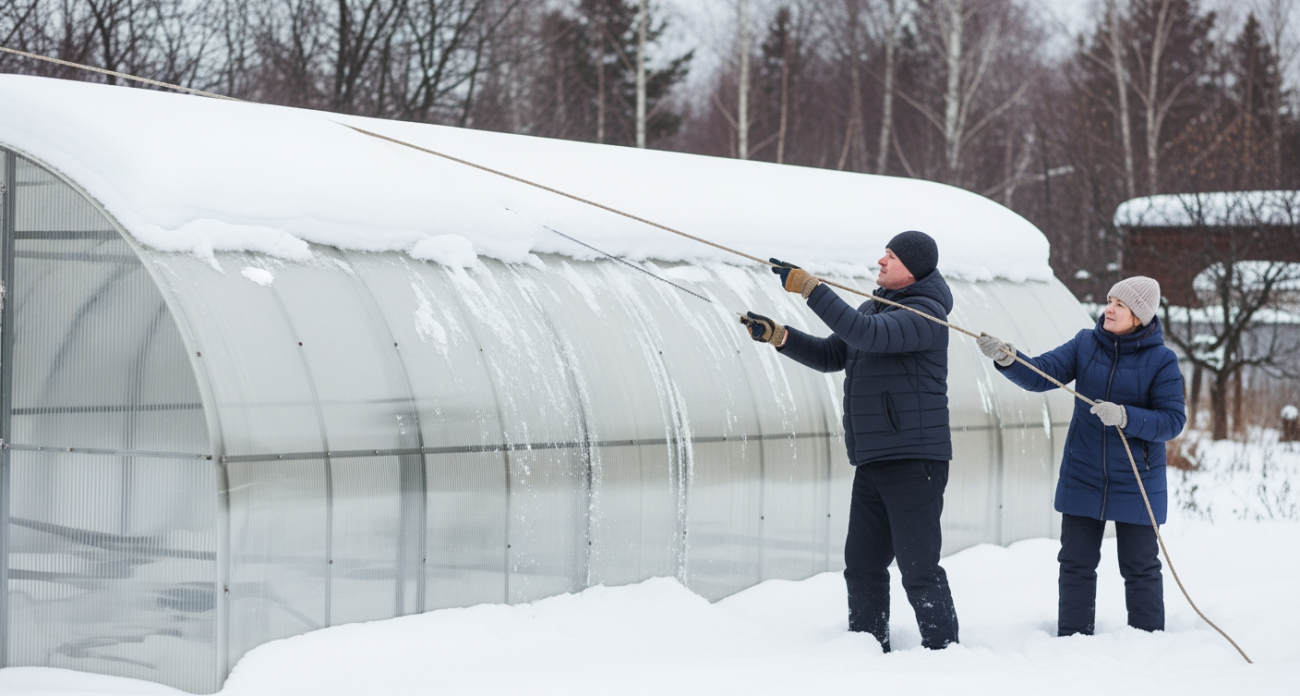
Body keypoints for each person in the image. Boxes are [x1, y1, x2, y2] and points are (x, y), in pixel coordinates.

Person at [740, 230, 958, 652]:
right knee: (861, 566)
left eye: (891, 256)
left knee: (919, 569)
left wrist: (812, 290)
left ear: (912, 268)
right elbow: (832, 354)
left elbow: (865, 335)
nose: (881, 261)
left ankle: (945, 653)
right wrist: (779, 336)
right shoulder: (874, 309)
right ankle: (866, 649)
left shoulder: (925, 316)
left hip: (915, 461)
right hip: (873, 459)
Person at [976, 276, 1186, 636]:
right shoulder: (1085, 344)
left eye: (1120, 305)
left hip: (1137, 478)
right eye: (1109, 300)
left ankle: (1148, 642)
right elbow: (1043, 374)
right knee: (1075, 563)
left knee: (1140, 566)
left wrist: (1125, 416)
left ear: (1139, 316)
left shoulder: (1161, 361)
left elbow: (1172, 421)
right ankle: (1073, 640)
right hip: (1084, 472)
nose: (1109, 309)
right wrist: (1008, 359)